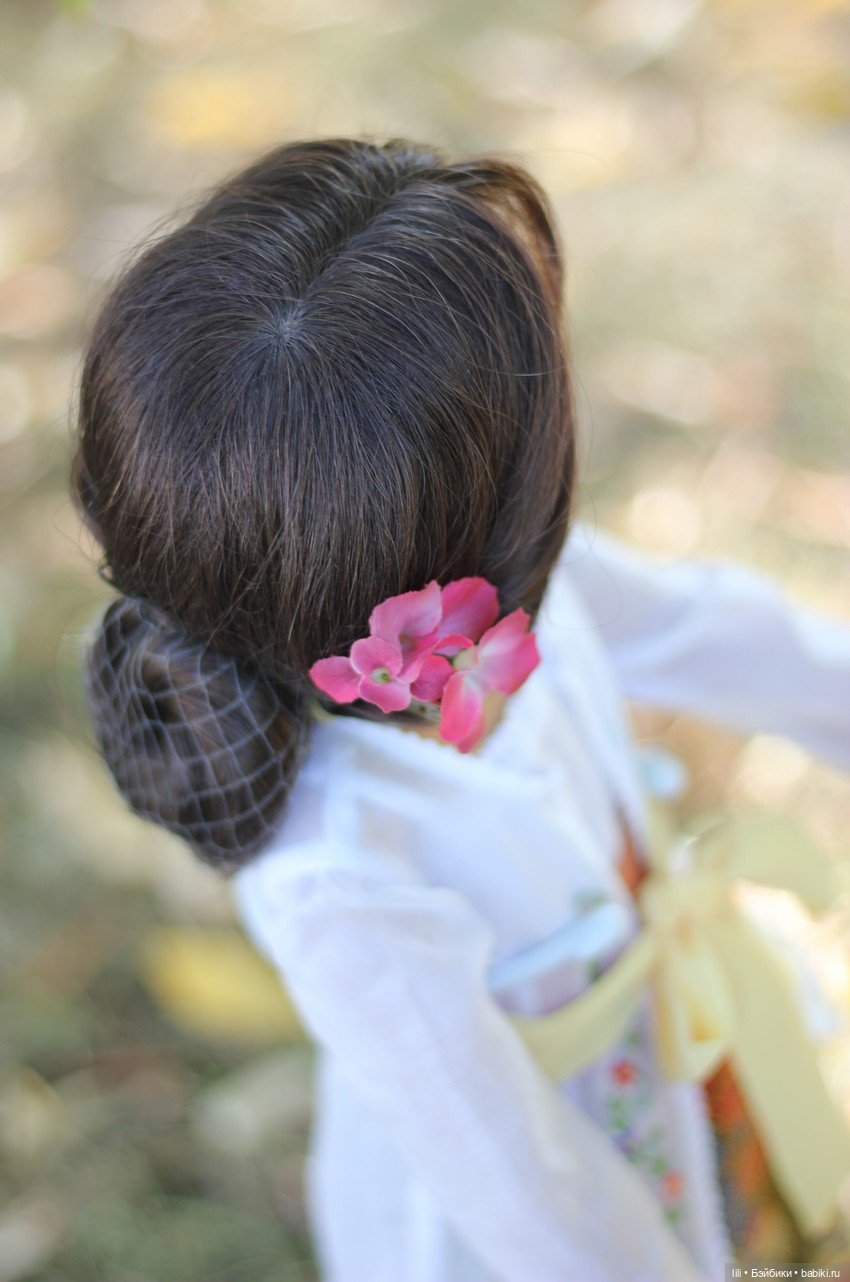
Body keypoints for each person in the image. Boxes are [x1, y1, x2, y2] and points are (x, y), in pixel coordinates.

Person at [73, 136, 850, 1282]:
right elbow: (522, 1186)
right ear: (500, 514)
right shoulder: (341, 867)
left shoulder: (520, 604)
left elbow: (709, 627)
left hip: (670, 1065)